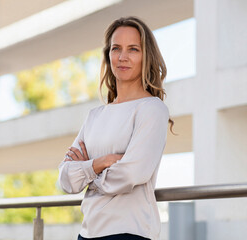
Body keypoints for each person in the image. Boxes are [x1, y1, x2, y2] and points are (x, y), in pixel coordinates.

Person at [58, 16, 174, 240]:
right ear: (108, 55)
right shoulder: (95, 116)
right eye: (116, 48)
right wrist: (99, 163)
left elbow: (130, 173)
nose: (123, 57)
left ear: (145, 56)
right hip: (87, 233)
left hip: (129, 232)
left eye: (133, 49)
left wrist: (86, 173)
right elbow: (65, 178)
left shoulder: (152, 109)